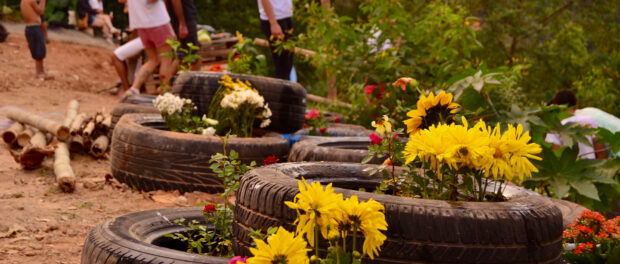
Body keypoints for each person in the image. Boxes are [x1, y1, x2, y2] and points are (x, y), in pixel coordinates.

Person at [122, 0, 176, 97]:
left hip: (141, 24)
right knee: (166, 58)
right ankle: (164, 89)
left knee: (153, 59)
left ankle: (134, 88)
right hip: (157, 21)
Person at [544, 89, 606, 159]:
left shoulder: (554, 128)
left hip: (570, 168)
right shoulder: (590, 121)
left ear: (557, 106)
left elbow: (556, 154)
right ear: (576, 105)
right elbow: (600, 151)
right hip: (591, 167)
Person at [258, 0, 294, 80]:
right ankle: (283, 91)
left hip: (286, 16)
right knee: (282, 64)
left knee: (288, 62)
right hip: (275, 20)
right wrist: (273, 23)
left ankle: (287, 90)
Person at [166, 0, 201, 72]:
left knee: (181, 56)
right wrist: (182, 23)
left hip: (179, 19)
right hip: (185, 18)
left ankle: (167, 81)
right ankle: (196, 81)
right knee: (193, 57)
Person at [20, 0, 52, 80]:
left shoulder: (23, 1)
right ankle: (39, 72)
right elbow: (40, 11)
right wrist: (43, 1)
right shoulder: (31, 0)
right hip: (34, 27)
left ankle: (41, 71)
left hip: (31, 27)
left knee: (39, 50)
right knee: (39, 50)